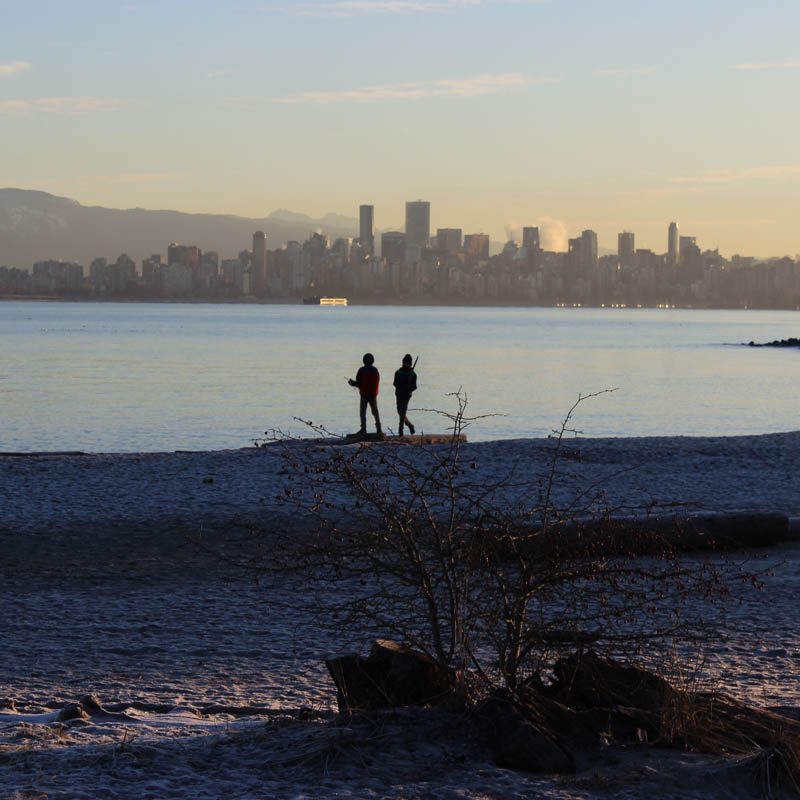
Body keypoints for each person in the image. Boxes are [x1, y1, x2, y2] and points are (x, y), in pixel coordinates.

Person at [349, 353, 382, 436]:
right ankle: (379, 429)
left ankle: (363, 429)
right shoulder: (375, 370)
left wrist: (351, 383)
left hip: (364, 394)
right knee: (375, 412)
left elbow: (359, 383)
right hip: (373, 395)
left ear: (364, 360)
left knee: (362, 412)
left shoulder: (361, 370)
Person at [393, 354, 417, 436]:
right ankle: (410, 425)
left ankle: (400, 430)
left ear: (410, 364)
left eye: (407, 363)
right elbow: (395, 383)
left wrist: (408, 387)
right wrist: (401, 386)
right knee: (400, 411)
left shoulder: (413, 374)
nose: (405, 365)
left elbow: (414, 386)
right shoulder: (398, 372)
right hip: (399, 394)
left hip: (406, 395)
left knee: (403, 412)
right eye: (404, 363)